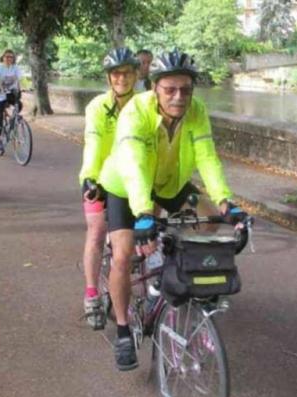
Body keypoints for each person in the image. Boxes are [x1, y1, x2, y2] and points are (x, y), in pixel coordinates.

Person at [98, 50, 246, 371]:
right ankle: (124, 330)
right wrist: (143, 214)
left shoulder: (196, 111)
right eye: (170, 90)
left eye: (186, 90)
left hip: (169, 183)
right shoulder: (135, 112)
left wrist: (226, 203)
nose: (179, 97)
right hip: (125, 185)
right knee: (123, 255)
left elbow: (207, 157)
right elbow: (135, 165)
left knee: (208, 222)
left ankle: (159, 279)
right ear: (155, 89)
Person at [78, 47, 139, 330]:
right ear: (109, 77)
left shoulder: (145, 104)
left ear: (136, 75)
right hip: (101, 178)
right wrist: (91, 178)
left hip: (136, 179)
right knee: (97, 230)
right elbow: (93, 143)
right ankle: (92, 292)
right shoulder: (97, 106)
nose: (121, 78)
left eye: (127, 72)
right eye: (116, 73)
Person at [0, 49, 23, 155]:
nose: (9, 59)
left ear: (13, 59)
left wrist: (28, 86)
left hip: (10, 93)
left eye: (11, 57)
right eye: (6, 56)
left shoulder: (15, 68)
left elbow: (22, 78)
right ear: (3, 57)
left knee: (19, 105)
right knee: (0, 116)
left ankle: (13, 121)